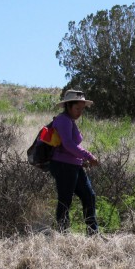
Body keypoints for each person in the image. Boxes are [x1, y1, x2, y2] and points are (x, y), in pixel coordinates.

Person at [48, 90, 100, 235]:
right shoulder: (63, 120)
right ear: (68, 106)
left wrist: (81, 159)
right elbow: (69, 145)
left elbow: (71, 146)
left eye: (82, 109)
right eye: (77, 108)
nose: (80, 112)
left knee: (89, 196)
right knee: (65, 200)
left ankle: (93, 232)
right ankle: (63, 234)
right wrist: (88, 156)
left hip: (73, 166)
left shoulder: (68, 120)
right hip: (63, 166)